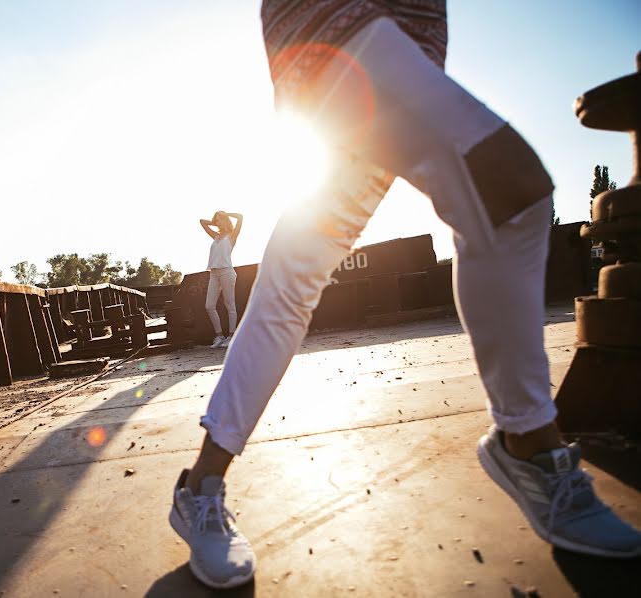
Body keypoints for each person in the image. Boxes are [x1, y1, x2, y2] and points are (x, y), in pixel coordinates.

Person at [169, 0, 641, 589]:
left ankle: (200, 486)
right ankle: (529, 441)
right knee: (511, 191)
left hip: (401, 43)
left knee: (296, 276)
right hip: (342, 28)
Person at [199, 211, 243, 348]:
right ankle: (219, 336)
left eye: (219, 220)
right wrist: (215, 220)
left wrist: (226, 214)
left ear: (225, 220)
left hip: (226, 272)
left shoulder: (232, 235)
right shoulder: (216, 236)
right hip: (214, 273)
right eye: (216, 220)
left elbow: (240, 217)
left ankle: (231, 337)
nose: (217, 223)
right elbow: (202, 221)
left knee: (230, 305)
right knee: (209, 306)